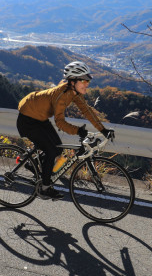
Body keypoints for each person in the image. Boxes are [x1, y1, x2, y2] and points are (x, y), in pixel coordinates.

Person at [16, 61, 115, 200]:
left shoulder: (74, 92)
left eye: (88, 80)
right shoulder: (62, 94)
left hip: (39, 117)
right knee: (51, 150)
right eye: (83, 80)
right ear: (73, 81)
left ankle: (32, 165)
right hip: (28, 119)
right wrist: (78, 131)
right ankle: (45, 188)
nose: (87, 83)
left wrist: (103, 130)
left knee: (57, 148)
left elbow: (87, 111)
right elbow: (60, 122)